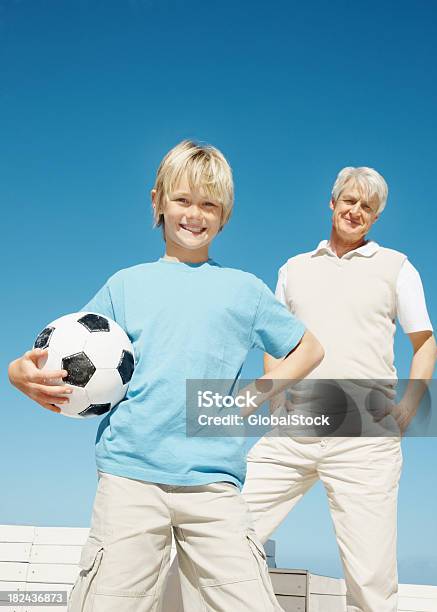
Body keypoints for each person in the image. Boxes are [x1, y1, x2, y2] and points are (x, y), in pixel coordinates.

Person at [8, 140, 324, 612]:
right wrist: (18, 373)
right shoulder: (124, 285)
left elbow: (309, 348)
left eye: (209, 204)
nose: (194, 214)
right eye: (182, 199)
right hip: (129, 478)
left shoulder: (244, 291)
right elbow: (61, 355)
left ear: (225, 214)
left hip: (216, 484)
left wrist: (255, 395)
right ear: (158, 202)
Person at [242, 167, 436, 612]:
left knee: (370, 578)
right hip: (294, 427)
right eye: (349, 201)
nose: (356, 211)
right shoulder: (293, 269)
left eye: (367, 207)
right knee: (229, 528)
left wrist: (408, 407)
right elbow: (275, 342)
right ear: (332, 203)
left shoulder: (398, 268)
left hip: (365, 437)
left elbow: (425, 345)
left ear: (376, 217)